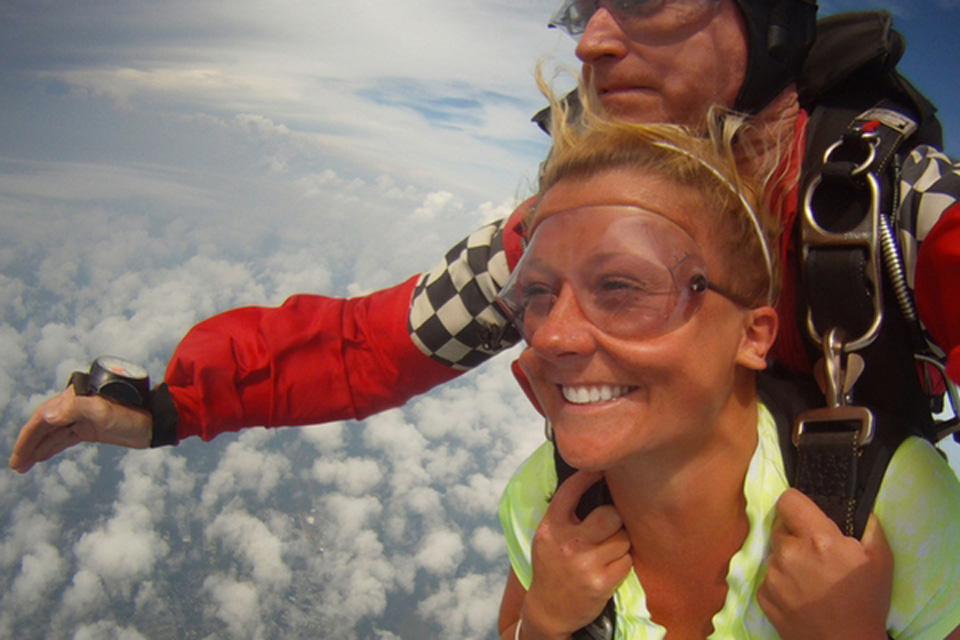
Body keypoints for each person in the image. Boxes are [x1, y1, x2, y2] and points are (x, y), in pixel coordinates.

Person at [9, 0, 960, 471]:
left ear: (772, 24)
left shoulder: (893, 219)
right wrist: (173, 406)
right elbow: (370, 344)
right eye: (579, 6)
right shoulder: (561, 236)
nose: (590, 39)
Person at [494, 91, 960, 640]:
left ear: (753, 334)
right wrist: (544, 622)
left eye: (621, 287)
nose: (551, 335)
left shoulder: (894, 506)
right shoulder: (546, 499)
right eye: (537, 294)